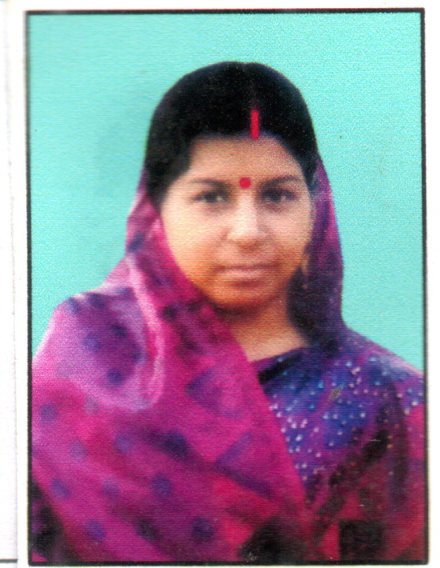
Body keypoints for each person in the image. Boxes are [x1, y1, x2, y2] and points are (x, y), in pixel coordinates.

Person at [31, 62, 426, 562]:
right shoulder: (85, 354)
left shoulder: (389, 400)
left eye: (277, 195)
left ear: (317, 205)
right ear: (156, 208)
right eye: (212, 196)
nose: (248, 231)